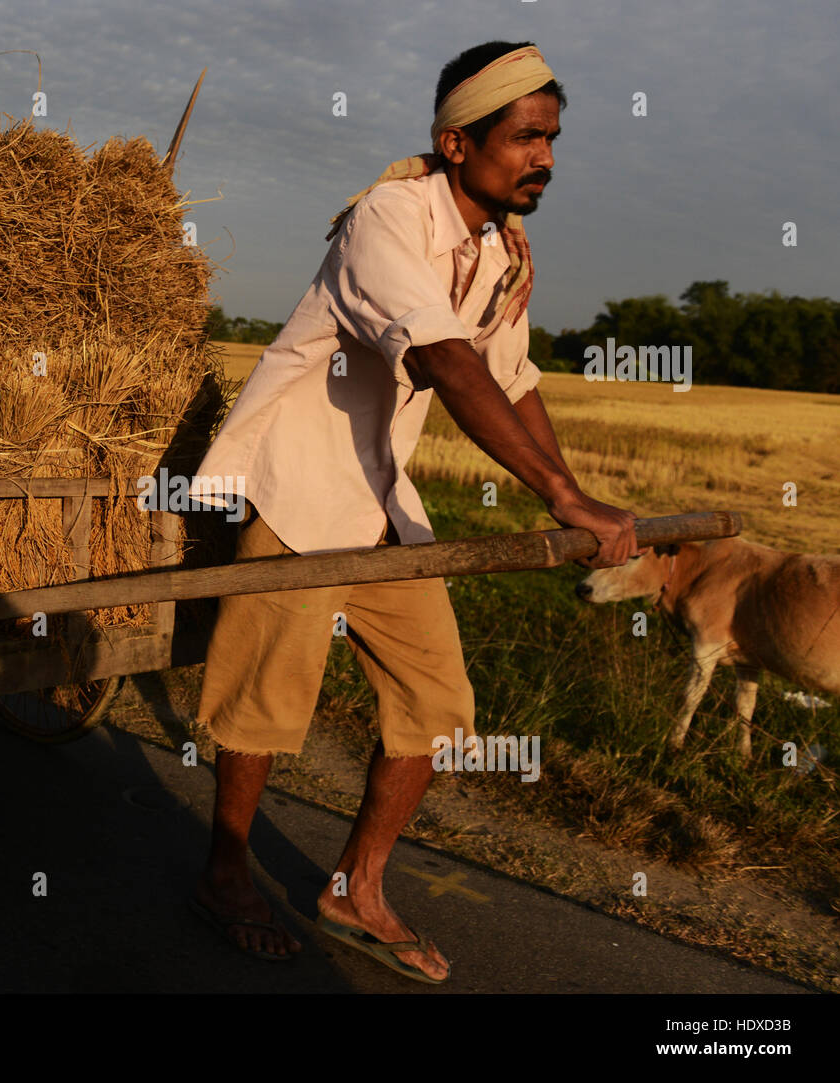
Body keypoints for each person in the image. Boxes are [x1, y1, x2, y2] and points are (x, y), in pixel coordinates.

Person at [185, 41, 640, 983]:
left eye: (552, 139)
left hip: (384, 501)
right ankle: (226, 870)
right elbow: (441, 358)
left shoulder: (501, 251)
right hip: (299, 489)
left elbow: (511, 382)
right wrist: (560, 495)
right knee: (265, 706)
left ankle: (356, 885)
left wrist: (572, 499)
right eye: (525, 138)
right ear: (455, 141)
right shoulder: (388, 218)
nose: (545, 157)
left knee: (436, 705)